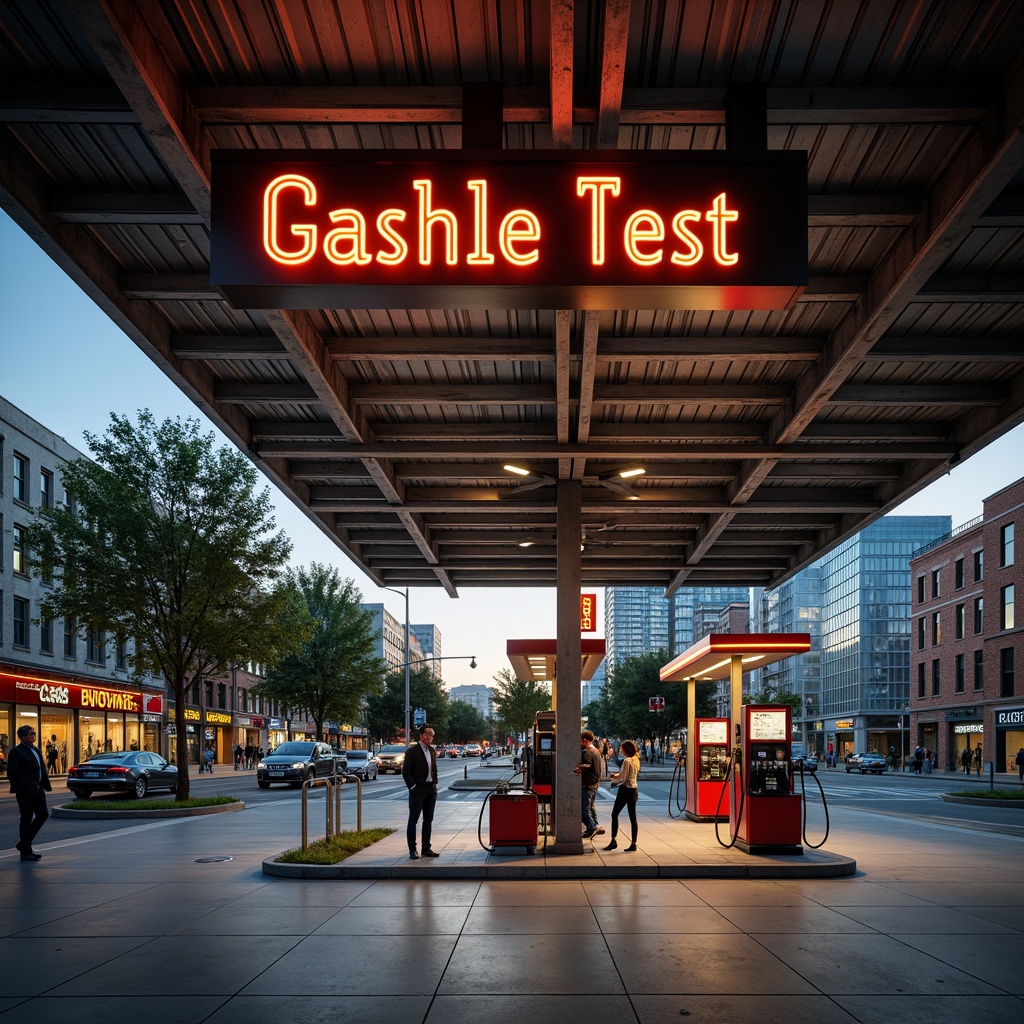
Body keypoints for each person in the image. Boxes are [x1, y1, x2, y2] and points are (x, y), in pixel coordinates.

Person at [7, 725, 52, 861]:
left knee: (43, 814)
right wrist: (28, 784)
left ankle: (23, 844)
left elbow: (41, 768)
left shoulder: (35, 749)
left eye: (33, 734)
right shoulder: (17, 752)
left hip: (38, 789)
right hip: (26, 790)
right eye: (29, 735)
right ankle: (26, 851)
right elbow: (12, 774)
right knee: (26, 818)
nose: (32, 737)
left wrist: (43, 785)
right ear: (22, 737)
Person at [403, 724, 440, 858]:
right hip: (418, 790)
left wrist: (435, 783)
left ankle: (426, 848)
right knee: (413, 820)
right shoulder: (412, 752)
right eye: (427, 735)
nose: (429, 738)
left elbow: (433, 768)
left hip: (431, 790)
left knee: (428, 820)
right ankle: (412, 849)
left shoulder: (431, 750)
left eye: (431, 736)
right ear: (421, 735)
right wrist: (413, 787)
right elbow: (405, 772)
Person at [603, 739, 641, 852]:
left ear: (626, 749)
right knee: (633, 818)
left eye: (622, 748)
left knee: (614, 814)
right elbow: (625, 774)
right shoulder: (635, 760)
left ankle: (613, 841)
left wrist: (614, 781)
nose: (620, 749)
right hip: (634, 790)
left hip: (625, 790)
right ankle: (633, 843)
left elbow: (624, 778)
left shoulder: (626, 761)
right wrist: (616, 775)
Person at [575, 730, 603, 840]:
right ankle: (594, 825)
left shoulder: (587, 752)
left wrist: (579, 767)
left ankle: (592, 826)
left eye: (581, 741)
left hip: (588, 783)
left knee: (584, 809)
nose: (581, 743)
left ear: (585, 740)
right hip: (595, 782)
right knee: (591, 807)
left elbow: (587, 765)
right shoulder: (596, 751)